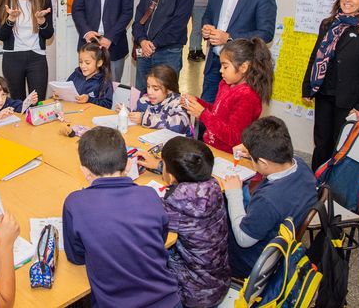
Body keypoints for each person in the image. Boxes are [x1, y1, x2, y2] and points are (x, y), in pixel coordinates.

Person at [63, 127, 181, 307]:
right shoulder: (149, 195)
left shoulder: (75, 203)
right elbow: (161, 238)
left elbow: (76, 257)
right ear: (128, 165)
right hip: (168, 300)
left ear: (84, 170)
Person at [302, 0, 359, 170]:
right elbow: (315, 56)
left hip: (349, 102)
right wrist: (307, 87)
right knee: (321, 143)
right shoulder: (328, 24)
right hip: (324, 95)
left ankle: (334, 191)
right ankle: (317, 187)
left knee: (342, 147)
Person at [137, 137, 230, 308]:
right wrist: (160, 167)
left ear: (171, 176)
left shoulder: (178, 204)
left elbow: (141, 217)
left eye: (162, 163)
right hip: (218, 279)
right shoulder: (213, 186)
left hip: (194, 294)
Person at [223, 117, 317, 278]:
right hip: (281, 239)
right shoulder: (301, 165)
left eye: (253, 159)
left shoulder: (268, 201)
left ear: (264, 163)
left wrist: (234, 194)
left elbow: (243, 240)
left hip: (251, 262)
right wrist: (254, 154)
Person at [201, 0, 277, 103]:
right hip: (215, 65)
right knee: (206, 117)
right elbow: (208, 15)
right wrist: (207, 27)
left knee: (235, 122)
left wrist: (228, 38)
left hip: (243, 71)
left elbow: (266, 33)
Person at [182, 38, 273, 154]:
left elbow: (235, 138)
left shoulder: (247, 96)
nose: (221, 70)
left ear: (243, 67)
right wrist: (198, 103)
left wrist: (203, 114)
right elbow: (218, 113)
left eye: (225, 66)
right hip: (212, 147)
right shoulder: (225, 84)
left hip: (228, 155)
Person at [132, 0, 194, 92]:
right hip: (144, 51)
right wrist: (142, 41)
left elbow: (178, 24)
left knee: (166, 96)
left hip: (168, 53)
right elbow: (139, 17)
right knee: (142, 94)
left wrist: (153, 45)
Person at [0, 0, 54, 100]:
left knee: (37, 102)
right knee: (17, 103)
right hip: (13, 58)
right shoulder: (3, 0)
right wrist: (10, 20)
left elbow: (49, 34)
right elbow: (1, 36)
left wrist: (41, 22)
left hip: (37, 57)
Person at [129, 64, 190, 134]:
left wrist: (144, 118)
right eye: (148, 86)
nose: (149, 92)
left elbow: (179, 126)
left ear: (169, 89)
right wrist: (127, 112)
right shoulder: (144, 100)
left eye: (155, 89)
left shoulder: (180, 103)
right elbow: (136, 114)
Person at [64, 42, 114, 109]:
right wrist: (60, 95)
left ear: (99, 63)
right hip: (74, 112)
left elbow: (107, 104)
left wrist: (89, 99)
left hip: (90, 116)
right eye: (80, 62)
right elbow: (66, 89)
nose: (82, 66)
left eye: (87, 63)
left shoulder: (104, 80)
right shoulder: (76, 74)